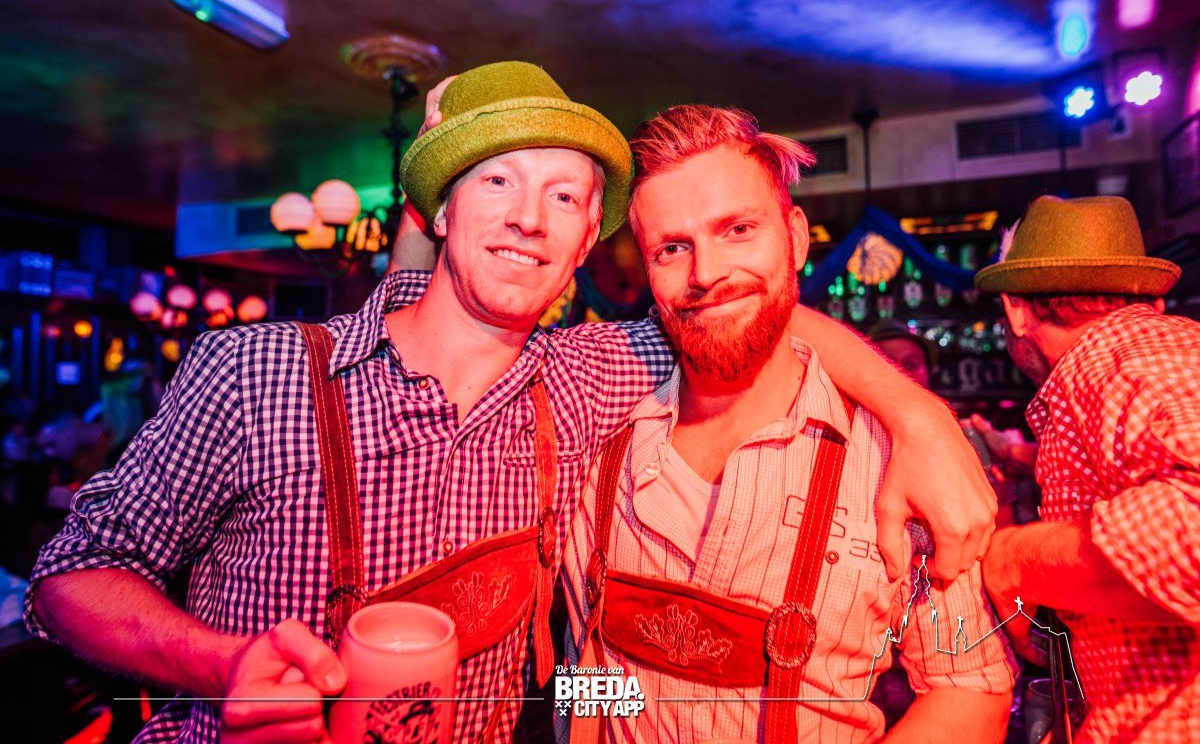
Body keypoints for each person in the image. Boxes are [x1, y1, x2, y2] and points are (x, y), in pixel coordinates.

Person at [27, 62, 993, 744]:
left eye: (564, 197)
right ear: (440, 212)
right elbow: (67, 577)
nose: (530, 216)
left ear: (585, 242)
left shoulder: (610, 390)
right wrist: (220, 667)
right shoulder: (263, 372)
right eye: (497, 179)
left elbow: (973, 687)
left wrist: (919, 416)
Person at [562, 106, 1015, 744]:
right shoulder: (593, 431)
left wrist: (920, 415)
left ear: (796, 238)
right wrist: (581, 723)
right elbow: (586, 660)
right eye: (672, 248)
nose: (706, 273)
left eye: (738, 229)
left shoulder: (895, 465)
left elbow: (968, 684)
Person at [976, 195, 1200, 743]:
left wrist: (1015, 558)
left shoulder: (1117, 363)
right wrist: (1025, 461)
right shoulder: (1152, 351)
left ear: (1016, 310)